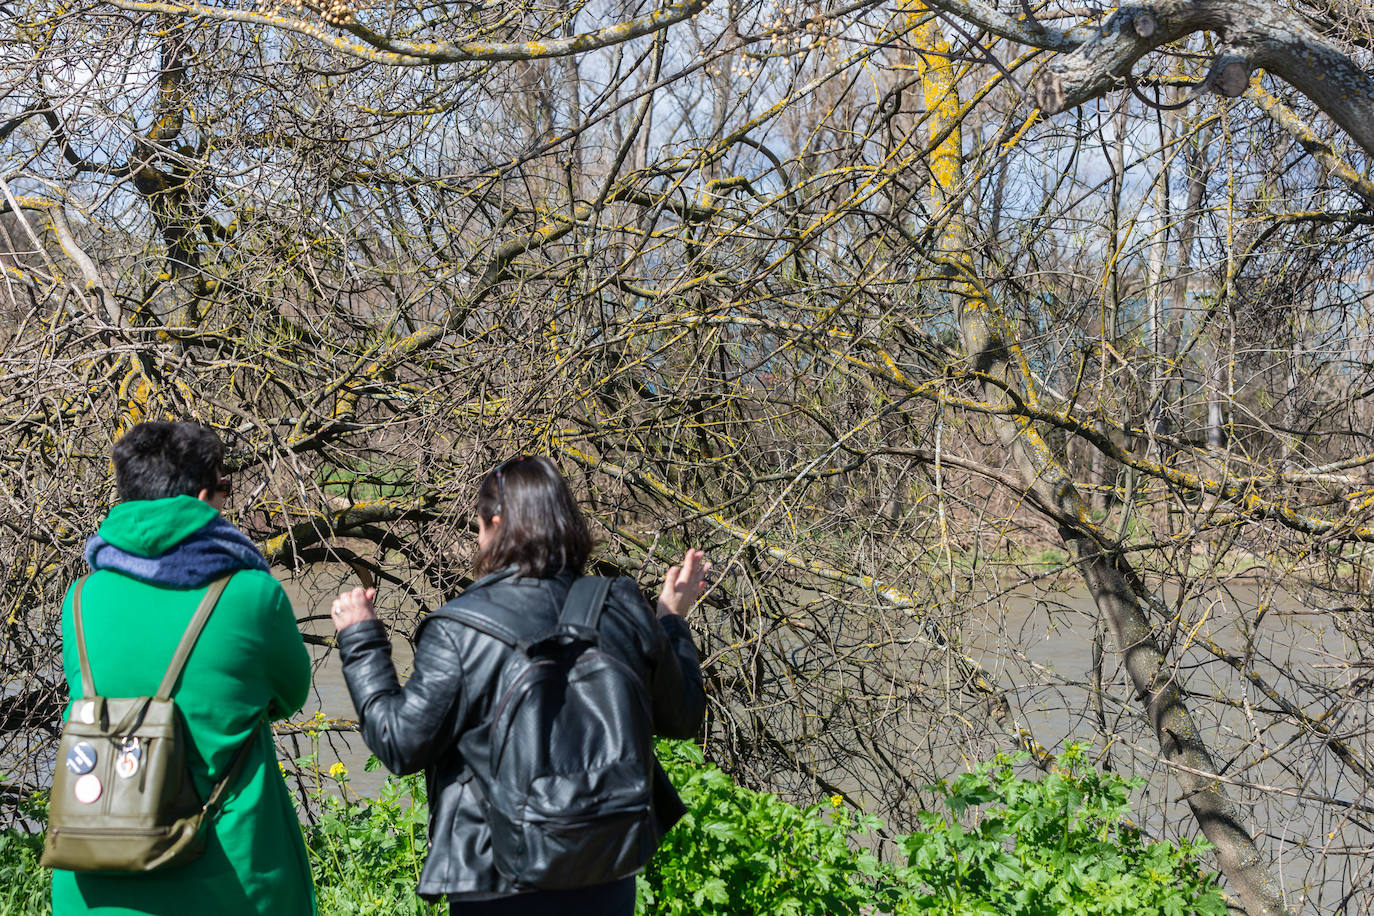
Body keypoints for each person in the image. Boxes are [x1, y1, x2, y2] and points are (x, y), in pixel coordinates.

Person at [331, 455, 707, 916]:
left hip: (498, 878)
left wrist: (361, 638)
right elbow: (684, 716)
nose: (478, 539)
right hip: (605, 870)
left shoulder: (460, 628)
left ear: (496, 523)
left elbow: (399, 744)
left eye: (478, 528)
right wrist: (670, 619)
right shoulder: (622, 606)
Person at [51, 421, 314, 916]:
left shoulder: (80, 599)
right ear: (201, 497)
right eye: (224, 487)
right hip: (229, 883)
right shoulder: (251, 595)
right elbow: (291, 696)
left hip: (92, 881)